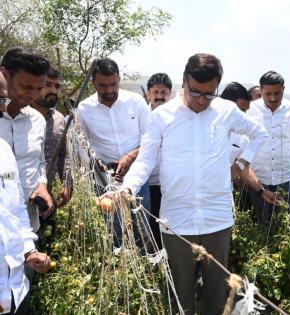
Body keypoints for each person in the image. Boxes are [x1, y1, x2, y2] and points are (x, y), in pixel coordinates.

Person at [117, 53, 268, 315]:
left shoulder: (226, 111)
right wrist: (127, 187)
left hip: (217, 218)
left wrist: (241, 164)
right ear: (184, 81)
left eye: (209, 94)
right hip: (177, 221)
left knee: (217, 295)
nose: (201, 100)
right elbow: (146, 159)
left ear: (217, 87)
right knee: (180, 295)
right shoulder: (162, 116)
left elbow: (259, 133)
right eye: (195, 92)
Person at [76, 58, 151, 251]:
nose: (109, 90)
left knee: (141, 225)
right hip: (105, 177)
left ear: (119, 79)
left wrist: (131, 156)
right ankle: (118, 268)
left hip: (137, 173)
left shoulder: (135, 102)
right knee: (113, 228)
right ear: (93, 82)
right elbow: (82, 146)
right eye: (103, 85)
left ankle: (146, 268)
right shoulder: (84, 109)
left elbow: (151, 139)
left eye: (113, 84)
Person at [0, 72, 50, 315]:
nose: (3, 108)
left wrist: (29, 249)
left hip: (14, 278)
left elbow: (15, 206)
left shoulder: (3, 151)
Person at [0, 47, 54, 233]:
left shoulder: (37, 120)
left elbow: (40, 163)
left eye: (38, 88)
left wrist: (42, 186)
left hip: (28, 227)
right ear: (5, 75)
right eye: (26, 86)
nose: (32, 95)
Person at [246, 71, 290, 224]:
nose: (273, 98)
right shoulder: (250, 109)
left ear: (283, 89)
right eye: (268, 94)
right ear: (261, 90)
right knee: (259, 223)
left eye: (277, 93)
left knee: (286, 224)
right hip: (258, 178)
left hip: (286, 177)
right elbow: (244, 142)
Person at [220, 82, 278, 211]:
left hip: (222, 197)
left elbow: (244, 167)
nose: (243, 116)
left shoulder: (243, 137)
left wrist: (261, 191)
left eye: (245, 111)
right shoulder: (204, 125)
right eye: (240, 111)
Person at [30, 66, 73, 208]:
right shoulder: (18, 116)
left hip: (44, 199)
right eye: (47, 85)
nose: (54, 91)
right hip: (15, 195)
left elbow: (64, 155)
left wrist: (67, 183)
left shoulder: (59, 120)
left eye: (57, 86)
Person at [146, 72, 172, 249]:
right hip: (147, 180)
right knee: (149, 223)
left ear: (170, 93)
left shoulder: (176, 116)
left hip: (169, 181)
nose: (160, 96)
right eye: (156, 92)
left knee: (168, 224)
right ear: (149, 93)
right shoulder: (142, 115)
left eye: (164, 92)